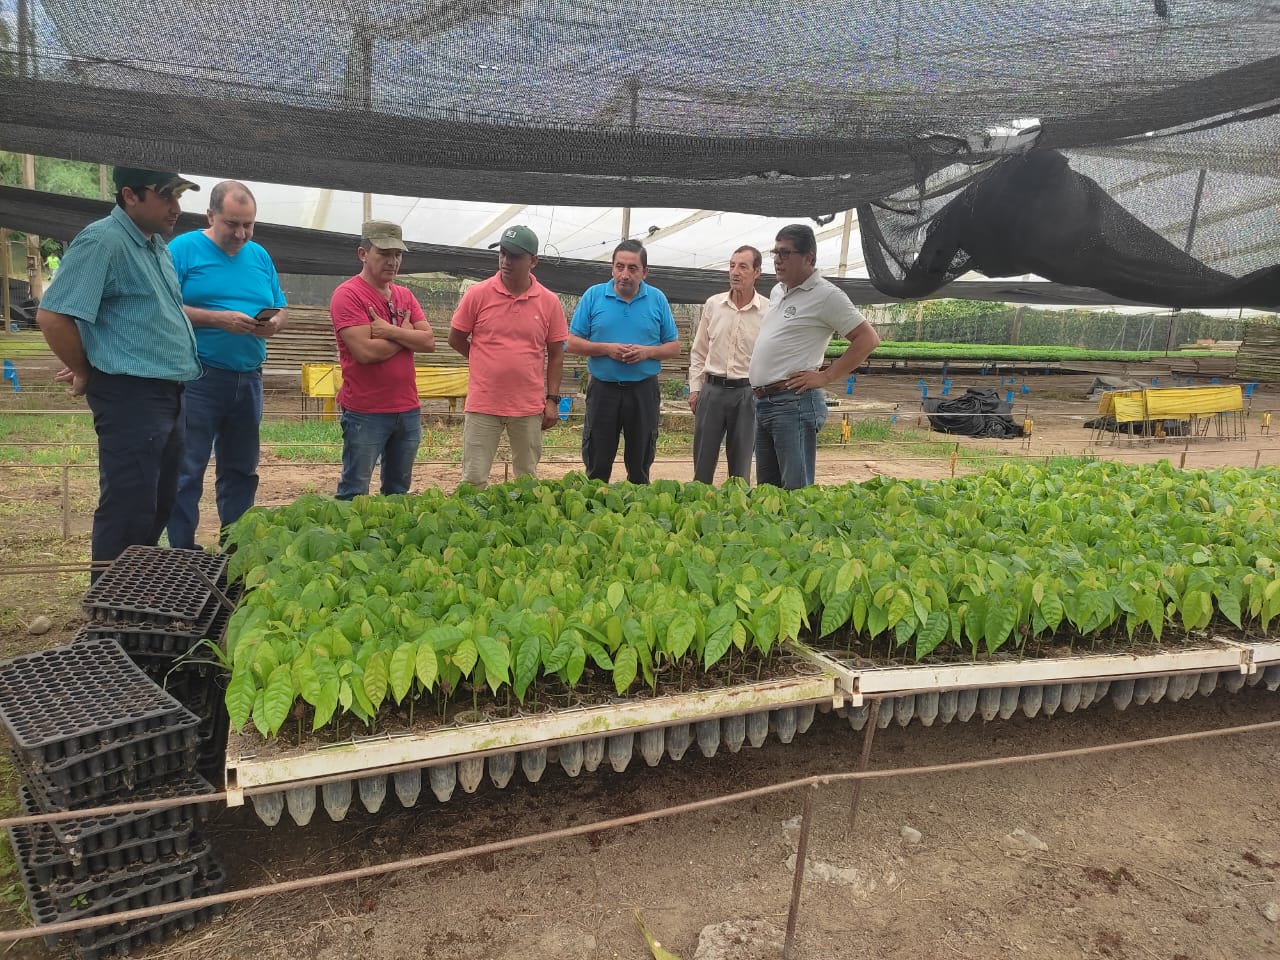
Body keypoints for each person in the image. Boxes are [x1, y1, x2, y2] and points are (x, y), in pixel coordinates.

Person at [35, 167, 202, 569]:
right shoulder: (103, 241)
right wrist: (84, 368)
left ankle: (137, 589)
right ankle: (109, 600)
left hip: (168, 392)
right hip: (131, 395)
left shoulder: (155, 246)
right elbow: (53, 316)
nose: (176, 208)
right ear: (130, 195)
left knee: (159, 501)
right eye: (166, 196)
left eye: (179, 197)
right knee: (129, 505)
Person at [165, 181, 288, 549]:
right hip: (198, 376)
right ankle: (182, 552)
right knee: (187, 468)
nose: (241, 234)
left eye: (248, 225)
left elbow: (281, 307)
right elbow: (162, 306)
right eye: (232, 224)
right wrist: (217, 319)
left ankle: (235, 550)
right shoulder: (182, 249)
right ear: (210, 216)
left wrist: (273, 323)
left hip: (248, 377)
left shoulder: (259, 255)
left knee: (241, 469)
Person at [748, 224, 881, 489]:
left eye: (785, 253)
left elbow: (868, 339)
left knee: (796, 489)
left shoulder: (826, 295)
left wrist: (826, 376)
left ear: (808, 257)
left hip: (792, 402)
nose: (777, 259)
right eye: (775, 252)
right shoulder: (778, 291)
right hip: (764, 401)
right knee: (768, 491)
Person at [448, 225, 568, 488]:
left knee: (526, 479)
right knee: (473, 478)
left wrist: (552, 400)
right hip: (483, 404)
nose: (505, 261)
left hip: (528, 406)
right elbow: (455, 338)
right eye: (502, 253)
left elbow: (556, 354)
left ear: (533, 261)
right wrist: (482, 360)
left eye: (514, 256)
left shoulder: (549, 301)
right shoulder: (478, 294)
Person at [330, 220, 436, 499]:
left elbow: (429, 342)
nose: (393, 261)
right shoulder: (348, 295)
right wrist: (407, 334)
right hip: (365, 411)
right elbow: (365, 352)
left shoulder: (405, 295)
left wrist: (389, 331)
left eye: (397, 254)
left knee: (398, 491)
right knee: (354, 490)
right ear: (363, 254)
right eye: (384, 253)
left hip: (407, 408)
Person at [567, 239, 679, 483]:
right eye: (620, 267)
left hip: (643, 391)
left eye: (632, 268)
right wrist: (606, 349)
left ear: (645, 272)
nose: (625, 274)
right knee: (597, 460)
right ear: (612, 268)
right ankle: (596, 502)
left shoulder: (657, 299)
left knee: (640, 461)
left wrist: (647, 352)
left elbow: (673, 346)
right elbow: (572, 342)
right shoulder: (594, 296)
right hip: (603, 390)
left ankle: (638, 503)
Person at [688, 245, 767, 483]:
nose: (735, 272)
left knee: (741, 469)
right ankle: (699, 502)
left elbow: (771, 356)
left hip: (747, 393)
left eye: (743, 267)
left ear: (757, 272)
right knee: (702, 465)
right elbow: (699, 350)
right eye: (732, 266)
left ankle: (738, 502)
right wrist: (695, 389)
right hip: (712, 391)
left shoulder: (768, 310)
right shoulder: (714, 305)